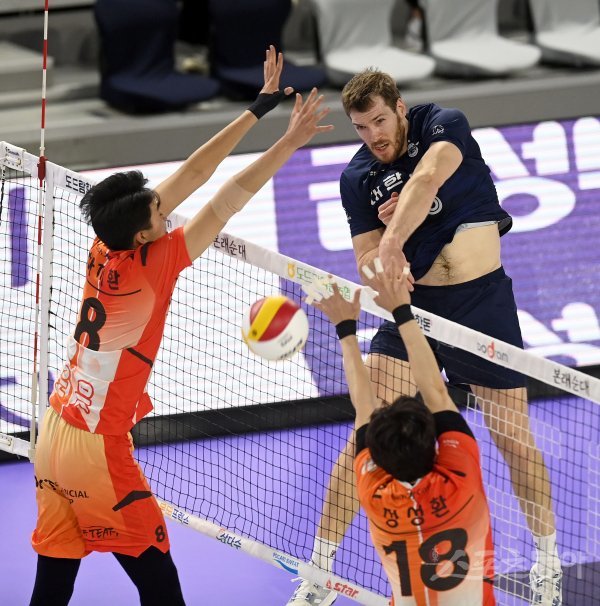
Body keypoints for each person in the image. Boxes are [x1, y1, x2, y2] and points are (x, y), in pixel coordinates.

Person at [29, 47, 333, 606]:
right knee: (159, 583)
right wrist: (288, 141)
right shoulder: (155, 265)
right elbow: (224, 197)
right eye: (158, 213)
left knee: (54, 577)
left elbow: (193, 172)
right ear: (144, 235)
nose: (165, 211)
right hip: (97, 449)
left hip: (52, 431)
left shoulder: (106, 242)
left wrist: (260, 107)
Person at [287, 69, 561, 606]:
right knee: (365, 437)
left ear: (400, 107)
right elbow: (367, 261)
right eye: (361, 127)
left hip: (482, 304)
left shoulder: (444, 124)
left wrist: (397, 234)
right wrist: (381, 259)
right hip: (415, 308)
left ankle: (547, 564)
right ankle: (318, 574)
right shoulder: (358, 177)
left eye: (380, 121)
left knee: (513, 438)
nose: (373, 136)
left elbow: (429, 177)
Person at [310, 265, 496, 605]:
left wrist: (347, 328)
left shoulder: (374, 492)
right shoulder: (460, 476)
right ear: (434, 445)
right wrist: (400, 309)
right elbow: (435, 390)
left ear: (379, 459)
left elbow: (365, 406)